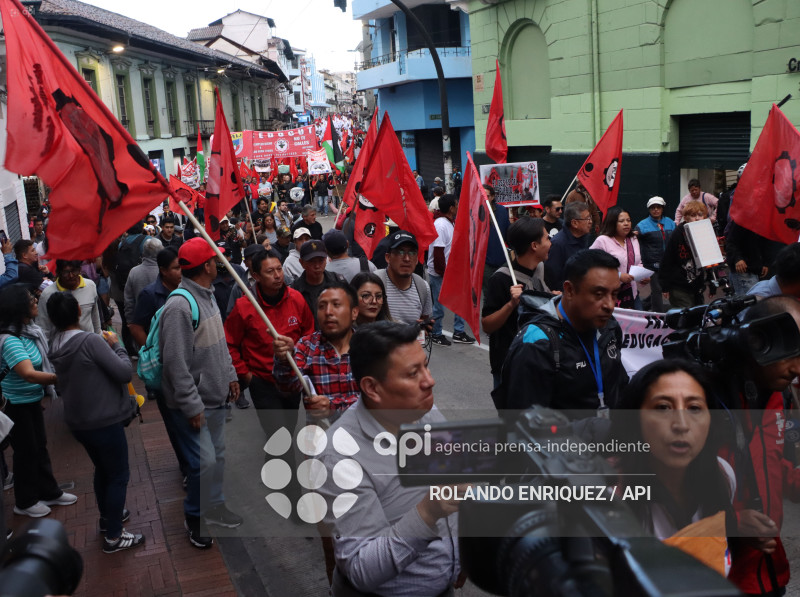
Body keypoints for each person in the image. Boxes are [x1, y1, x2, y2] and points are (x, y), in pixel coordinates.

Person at [317, 321, 461, 596]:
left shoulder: (425, 413)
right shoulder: (340, 456)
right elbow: (361, 568)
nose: (429, 381)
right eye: (412, 373)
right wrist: (426, 513)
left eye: (426, 366)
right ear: (372, 388)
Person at [160, 238, 242, 549]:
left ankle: (216, 506)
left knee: (216, 457)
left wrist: (230, 375)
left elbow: (219, 344)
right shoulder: (180, 305)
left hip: (216, 397)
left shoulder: (207, 296)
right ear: (206, 265)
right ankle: (195, 517)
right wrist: (192, 406)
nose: (216, 263)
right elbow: (175, 363)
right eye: (213, 259)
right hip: (195, 405)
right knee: (202, 463)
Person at [47, 292, 145, 553]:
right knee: (118, 475)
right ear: (79, 311)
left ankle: (107, 519)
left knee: (103, 470)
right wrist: (117, 344)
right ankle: (114, 535)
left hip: (79, 422)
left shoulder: (55, 343)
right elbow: (124, 372)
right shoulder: (90, 341)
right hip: (104, 420)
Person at [722, 297, 800, 595]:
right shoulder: (703, 403)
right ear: (757, 341)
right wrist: (731, 523)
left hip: (770, 573)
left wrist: (794, 479)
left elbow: (765, 460)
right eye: (789, 353)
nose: (797, 369)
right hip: (724, 579)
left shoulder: (773, 394)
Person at [493, 249, 629, 414]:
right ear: (570, 290)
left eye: (614, 294)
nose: (610, 305)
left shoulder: (610, 327)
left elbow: (620, 388)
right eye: (598, 294)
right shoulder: (536, 345)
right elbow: (524, 427)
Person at [614, 360, 734, 540]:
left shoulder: (724, 477)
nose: (682, 425)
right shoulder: (609, 498)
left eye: (694, 408)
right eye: (663, 407)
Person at [0, 285, 77, 519]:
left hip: (29, 400)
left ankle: (48, 491)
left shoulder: (29, 331)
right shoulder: (10, 340)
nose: (35, 300)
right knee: (26, 451)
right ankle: (25, 501)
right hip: (15, 403)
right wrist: (63, 378)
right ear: (18, 307)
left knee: (39, 446)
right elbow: (29, 374)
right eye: (30, 299)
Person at [225, 249, 313, 433]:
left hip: (292, 379)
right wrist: (246, 375)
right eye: (270, 271)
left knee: (288, 429)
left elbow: (309, 334)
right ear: (256, 276)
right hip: (262, 382)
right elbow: (229, 343)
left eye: (279, 269)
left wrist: (300, 357)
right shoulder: (245, 306)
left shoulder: (296, 299)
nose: (277, 275)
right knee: (277, 434)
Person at [129, 247, 189, 482]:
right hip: (165, 371)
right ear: (163, 271)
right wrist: (152, 353)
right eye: (175, 268)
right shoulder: (149, 295)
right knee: (175, 422)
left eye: (182, 266)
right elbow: (135, 326)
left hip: (187, 366)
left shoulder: (187, 290)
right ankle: (187, 468)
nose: (180, 272)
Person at [273, 283, 361, 422]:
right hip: (320, 438)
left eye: (336, 305)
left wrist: (334, 407)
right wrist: (285, 360)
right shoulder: (306, 346)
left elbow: (380, 396)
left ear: (354, 312)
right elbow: (287, 389)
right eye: (322, 306)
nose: (328, 312)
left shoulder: (369, 346)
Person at [482, 218, 552, 389]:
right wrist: (511, 304)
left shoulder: (541, 269)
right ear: (534, 246)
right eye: (547, 238)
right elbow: (487, 325)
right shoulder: (501, 279)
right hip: (510, 364)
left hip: (538, 359)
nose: (551, 242)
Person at [428, 195, 475, 346]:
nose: (458, 207)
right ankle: (436, 333)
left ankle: (459, 332)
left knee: (460, 302)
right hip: (441, 273)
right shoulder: (440, 225)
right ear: (451, 208)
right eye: (456, 204)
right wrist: (443, 272)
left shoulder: (450, 222)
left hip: (452, 272)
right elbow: (438, 252)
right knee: (439, 306)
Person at [590, 206, 649, 309]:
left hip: (632, 294)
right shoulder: (602, 240)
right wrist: (618, 276)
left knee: (636, 323)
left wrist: (642, 275)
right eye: (621, 221)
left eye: (628, 220)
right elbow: (591, 265)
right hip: (608, 295)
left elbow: (637, 262)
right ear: (612, 223)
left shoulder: (633, 239)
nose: (626, 223)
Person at [376, 230, 433, 328]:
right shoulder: (375, 283)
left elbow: (424, 320)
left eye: (411, 253)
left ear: (416, 259)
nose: (406, 258)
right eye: (400, 252)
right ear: (388, 257)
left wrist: (424, 328)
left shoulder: (423, 287)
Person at [659, 200, 708, 308]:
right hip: (679, 286)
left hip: (697, 286)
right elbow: (667, 260)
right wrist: (665, 286)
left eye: (700, 215)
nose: (697, 218)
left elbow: (709, 260)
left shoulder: (704, 232)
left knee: (698, 315)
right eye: (693, 215)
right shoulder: (677, 234)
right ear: (686, 218)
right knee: (686, 317)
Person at [36, 260, 101, 341]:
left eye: (74, 271)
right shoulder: (47, 294)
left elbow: (95, 316)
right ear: (58, 272)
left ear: (80, 270)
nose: (71, 276)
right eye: (66, 272)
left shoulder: (90, 286)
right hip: (62, 348)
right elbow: (43, 327)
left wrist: (98, 337)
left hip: (88, 343)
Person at [635, 196, 675, 312]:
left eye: (658, 207)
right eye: (653, 208)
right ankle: (658, 315)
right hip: (653, 264)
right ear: (649, 209)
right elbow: (634, 243)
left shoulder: (670, 223)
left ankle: (645, 305)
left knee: (669, 288)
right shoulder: (642, 225)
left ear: (663, 208)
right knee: (657, 289)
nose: (656, 210)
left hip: (669, 263)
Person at [292, 239, 345, 327]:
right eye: (312, 261)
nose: (317, 266)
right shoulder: (295, 290)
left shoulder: (338, 282)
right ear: (302, 263)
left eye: (321, 260)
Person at [724, 222, 784, 297]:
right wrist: (738, 259)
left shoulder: (763, 220)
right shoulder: (742, 220)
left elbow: (763, 243)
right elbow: (731, 242)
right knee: (749, 302)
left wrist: (765, 263)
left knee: (755, 302)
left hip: (756, 268)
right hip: (744, 269)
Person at [543, 201, 592, 292]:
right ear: (574, 223)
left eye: (590, 217)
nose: (590, 222)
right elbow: (553, 279)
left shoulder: (583, 238)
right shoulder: (558, 244)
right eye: (587, 219)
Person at [123, 237, 162, 337]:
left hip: (140, 322)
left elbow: (128, 300)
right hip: (162, 321)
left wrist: (130, 321)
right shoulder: (165, 271)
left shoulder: (134, 272)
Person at [483, 184, 510, 287]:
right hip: (485, 262)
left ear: (493, 197)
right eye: (482, 196)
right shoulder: (476, 212)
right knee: (488, 291)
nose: (485, 199)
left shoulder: (502, 210)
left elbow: (507, 232)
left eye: (487, 196)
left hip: (502, 259)